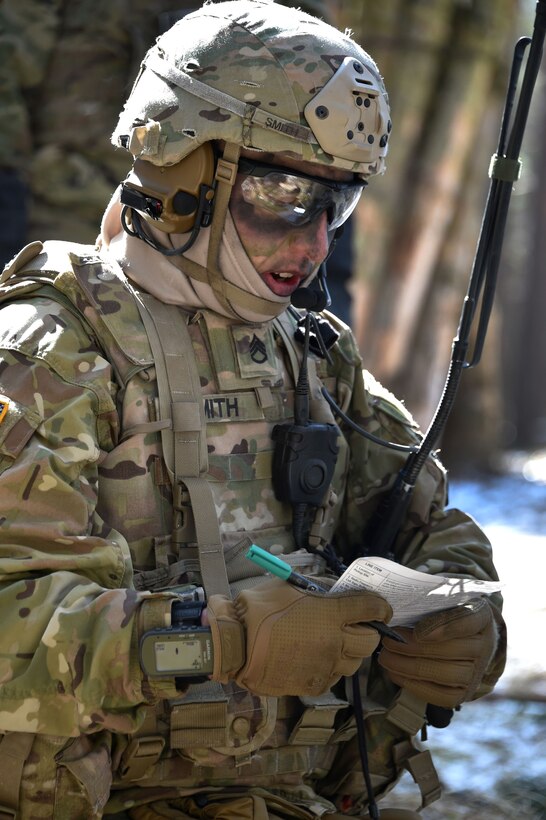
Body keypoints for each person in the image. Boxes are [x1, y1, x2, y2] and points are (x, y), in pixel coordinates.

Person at [0, 2, 505, 818]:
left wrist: (462, 617)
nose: (312, 247)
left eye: (333, 207)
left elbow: (428, 528)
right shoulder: (50, 355)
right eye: (283, 194)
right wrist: (222, 638)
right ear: (181, 167)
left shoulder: (312, 352)